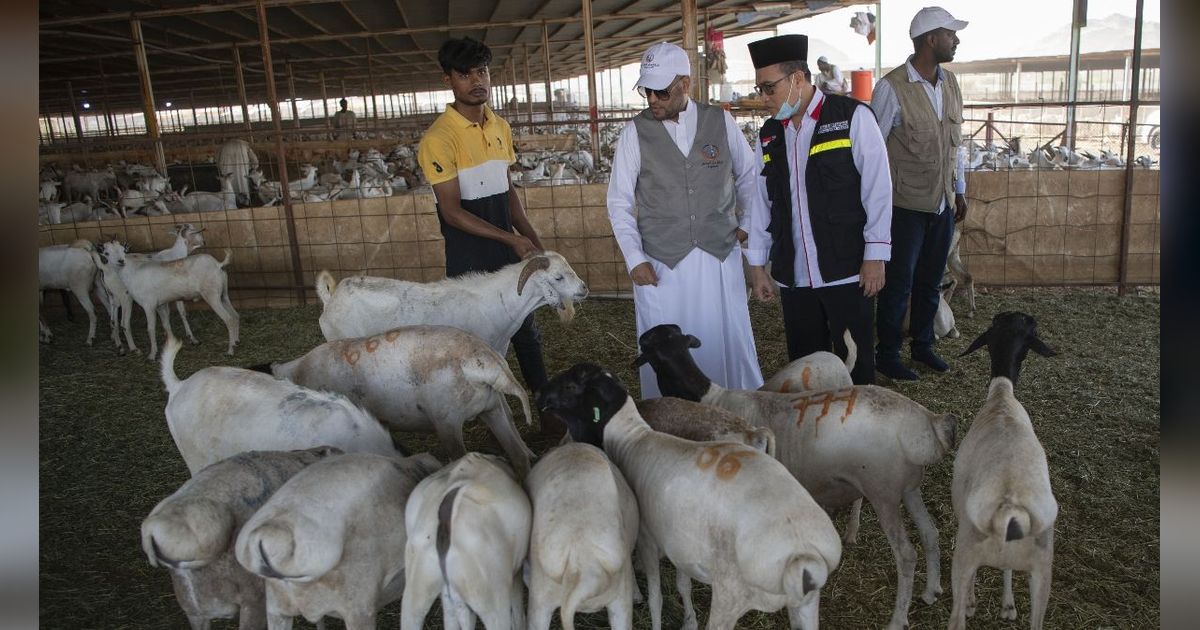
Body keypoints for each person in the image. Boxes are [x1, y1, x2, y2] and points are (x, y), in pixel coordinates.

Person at [607, 41, 765, 398]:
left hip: (718, 258)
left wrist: (747, 222)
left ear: (684, 84)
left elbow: (750, 177)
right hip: (664, 266)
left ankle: (737, 416)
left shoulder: (720, 121)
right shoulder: (634, 134)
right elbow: (618, 202)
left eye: (660, 91)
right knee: (668, 349)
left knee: (725, 339)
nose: (652, 100)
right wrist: (635, 258)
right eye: (646, 91)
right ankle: (673, 425)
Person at [745, 34, 892, 385]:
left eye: (769, 88)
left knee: (853, 368)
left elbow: (879, 190)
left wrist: (875, 255)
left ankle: (858, 437)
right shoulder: (769, 135)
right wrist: (757, 267)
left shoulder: (852, 117)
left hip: (847, 270)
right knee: (806, 371)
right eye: (760, 90)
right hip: (795, 276)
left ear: (797, 79)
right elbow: (760, 202)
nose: (764, 99)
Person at [416, 36, 552, 413]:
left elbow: (507, 190)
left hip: (507, 246)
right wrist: (509, 238)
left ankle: (543, 401)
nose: (477, 81)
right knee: (475, 336)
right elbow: (452, 212)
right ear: (449, 81)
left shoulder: (500, 128)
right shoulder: (438, 139)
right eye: (465, 74)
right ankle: (484, 408)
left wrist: (532, 238)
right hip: (469, 255)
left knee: (524, 325)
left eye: (482, 71)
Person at [870, 6, 969, 380]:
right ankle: (889, 353)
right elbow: (873, 149)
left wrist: (959, 189)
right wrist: (875, 206)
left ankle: (924, 346)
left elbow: (956, 144)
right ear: (931, 40)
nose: (955, 40)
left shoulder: (951, 84)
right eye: (950, 34)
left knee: (931, 279)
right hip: (904, 205)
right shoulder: (891, 88)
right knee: (899, 283)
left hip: (941, 201)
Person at [214, 138, 258, 208]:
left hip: (227, 175)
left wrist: (222, 170)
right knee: (244, 189)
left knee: (229, 193)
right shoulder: (244, 145)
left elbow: (217, 161)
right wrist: (251, 169)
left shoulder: (223, 146)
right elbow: (255, 162)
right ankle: (245, 205)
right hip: (242, 174)